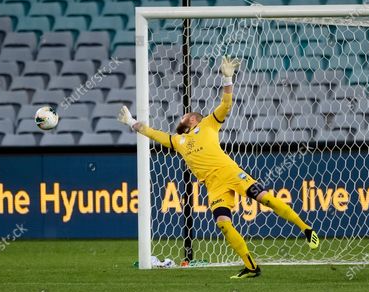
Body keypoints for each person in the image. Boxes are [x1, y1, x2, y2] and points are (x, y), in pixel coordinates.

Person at [117, 56, 319, 279]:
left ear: (193, 119)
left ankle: (306, 229)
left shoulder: (209, 123)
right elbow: (152, 133)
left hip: (230, 173)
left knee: (265, 199)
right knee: (223, 224)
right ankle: (251, 267)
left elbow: (226, 104)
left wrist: (227, 77)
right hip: (214, 187)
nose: (182, 116)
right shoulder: (177, 140)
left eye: (185, 114)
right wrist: (131, 122)